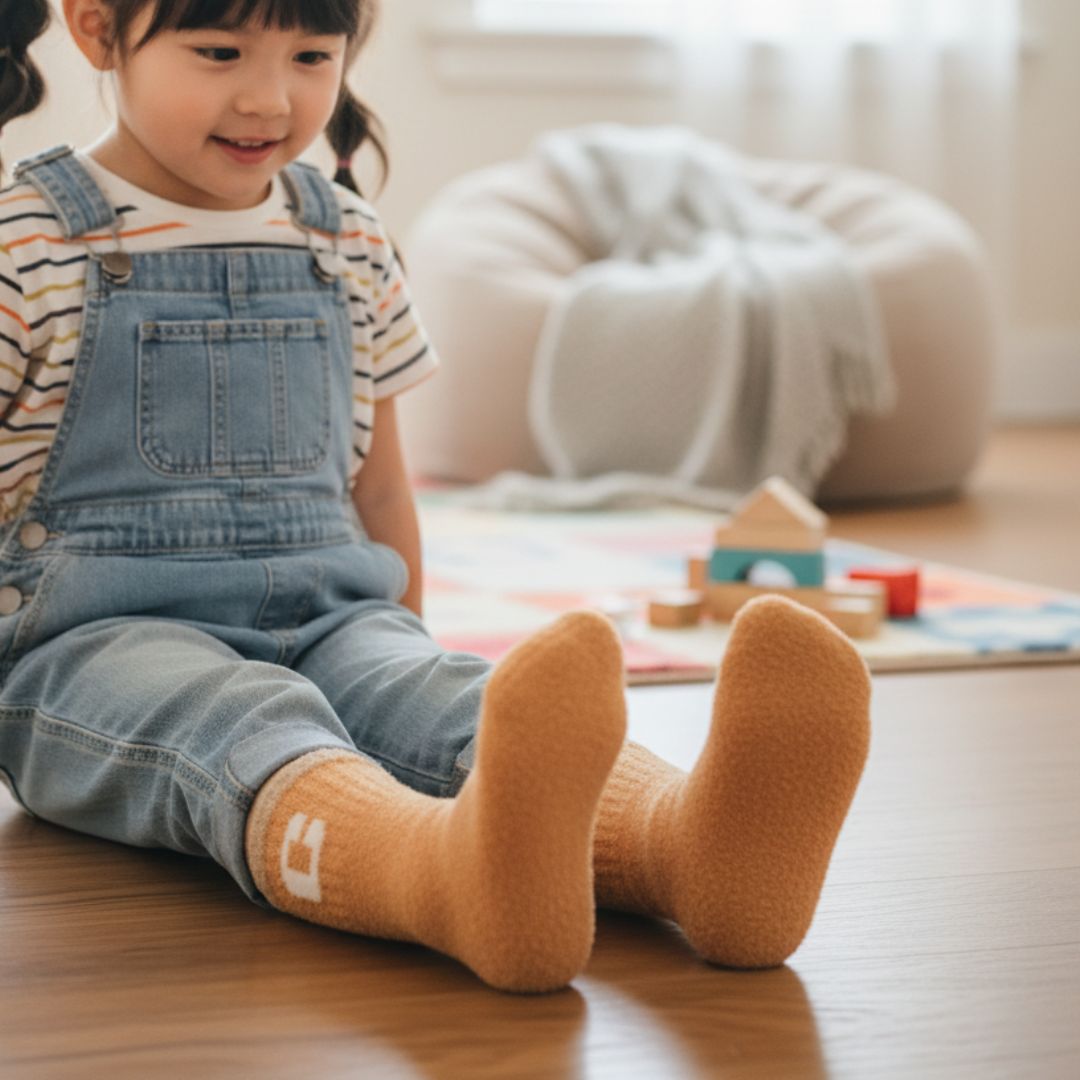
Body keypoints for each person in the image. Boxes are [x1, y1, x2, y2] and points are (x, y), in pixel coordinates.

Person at [0, 0, 872, 994]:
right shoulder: (29, 245)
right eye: (217, 51)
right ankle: (440, 875)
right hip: (96, 645)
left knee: (446, 702)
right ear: (97, 30)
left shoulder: (347, 238)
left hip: (334, 613)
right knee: (239, 715)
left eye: (312, 54)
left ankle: (692, 846)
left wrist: (398, 644)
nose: (270, 96)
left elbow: (379, 479)